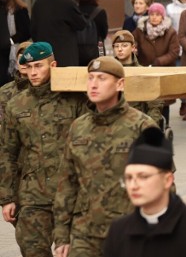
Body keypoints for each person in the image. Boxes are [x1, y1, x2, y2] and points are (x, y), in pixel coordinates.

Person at [53, 56, 158, 257]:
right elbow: (67, 182)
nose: (93, 84)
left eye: (102, 78)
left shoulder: (142, 126)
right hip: (85, 233)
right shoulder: (78, 127)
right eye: (90, 78)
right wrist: (61, 236)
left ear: (120, 84)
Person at [0, 42, 86, 256]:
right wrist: (7, 198)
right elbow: (7, 152)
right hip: (33, 196)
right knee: (32, 249)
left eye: (39, 66)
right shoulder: (17, 105)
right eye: (29, 68)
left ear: (53, 65)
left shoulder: (74, 99)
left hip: (72, 194)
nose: (33, 72)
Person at [103, 127, 186, 257]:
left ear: (167, 180)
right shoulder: (118, 230)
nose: (133, 185)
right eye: (129, 178)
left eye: (143, 177)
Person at [134, 3, 180, 126]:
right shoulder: (140, 30)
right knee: (146, 101)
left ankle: (165, 126)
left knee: (164, 101)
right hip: (144, 71)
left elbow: (174, 52)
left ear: (162, 17)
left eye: (158, 15)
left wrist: (159, 61)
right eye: (152, 14)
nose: (154, 17)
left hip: (163, 72)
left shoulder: (170, 32)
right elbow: (134, 44)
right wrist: (135, 51)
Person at [31, 0, 86, 66]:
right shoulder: (68, 4)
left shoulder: (38, 4)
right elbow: (82, 24)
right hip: (66, 57)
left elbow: (33, 31)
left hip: (44, 56)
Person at [111, 30, 164, 126]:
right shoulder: (109, 72)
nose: (120, 49)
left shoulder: (142, 73)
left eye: (124, 45)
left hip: (137, 122)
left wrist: (149, 127)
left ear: (133, 48)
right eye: (116, 46)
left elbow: (154, 105)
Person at [77, 0, 109, 66]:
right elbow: (104, 34)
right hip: (98, 48)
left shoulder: (76, 11)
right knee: (99, 69)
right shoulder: (100, 12)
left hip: (78, 50)